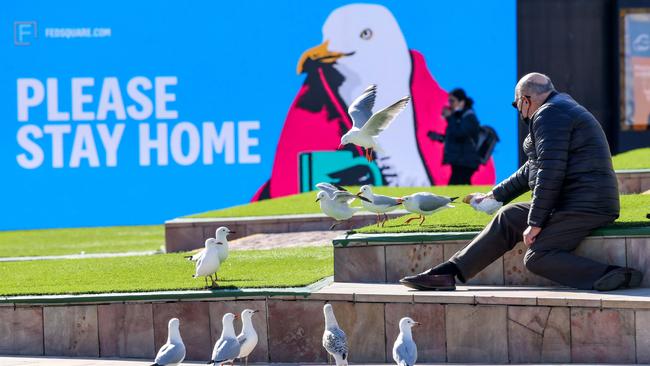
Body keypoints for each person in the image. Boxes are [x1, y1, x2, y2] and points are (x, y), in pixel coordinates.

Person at [401, 73, 642, 292]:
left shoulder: (549, 114)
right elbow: (534, 167)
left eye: (517, 105)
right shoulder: (557, 108)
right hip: (572, 200)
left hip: (585, 204)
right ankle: (448, 273)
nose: (519, 111)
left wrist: (535, 222)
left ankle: (614, 275)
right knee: (509, 216)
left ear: (525, 100)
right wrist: (495, 196)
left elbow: (550, 170)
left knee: (537, 257)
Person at [441, 89, 482, 184]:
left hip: (466, 162)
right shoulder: (459, 116)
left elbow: (460, 134)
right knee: (462, 188)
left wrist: (449, 117)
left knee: (454, 189)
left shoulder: (469, 116)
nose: (450, 104)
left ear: (462, 102)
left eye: (452, 101)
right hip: (460, 162)